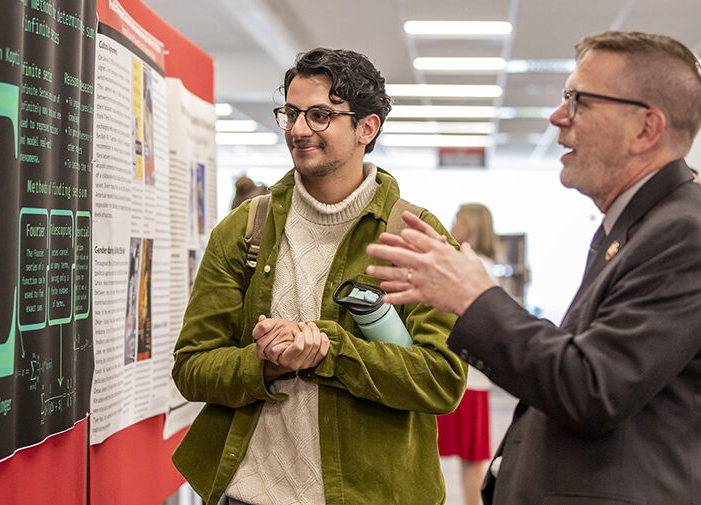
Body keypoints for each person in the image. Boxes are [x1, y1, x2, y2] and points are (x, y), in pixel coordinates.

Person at [366, 30, 701, 505]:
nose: (557, 117)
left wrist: (475, 300)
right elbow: (585, 357)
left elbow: (594, 389)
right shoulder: (632, 227)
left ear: (646, 129)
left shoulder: (683, 233)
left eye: (580, 101)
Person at [171, 48, 467, 505]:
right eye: (290, 113)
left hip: (374, 496)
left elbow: (441, 380)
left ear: (367, 128)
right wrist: (268, 364)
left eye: (319, 115)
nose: (297, 129)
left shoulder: (416, 239)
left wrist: (328, 351)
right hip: (250, 495)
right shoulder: (244, 231)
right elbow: (192, 367)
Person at [439, 204, 498, 505]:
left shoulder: (475, 267)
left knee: (471, 461)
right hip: (464, 377)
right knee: (467, 461)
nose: (451, 224)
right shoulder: (475, 264)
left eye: (456, 219)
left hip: (467, 381)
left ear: (470, 226)